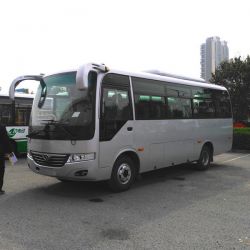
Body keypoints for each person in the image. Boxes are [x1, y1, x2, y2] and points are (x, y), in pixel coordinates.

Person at [0, 124, 12, 195]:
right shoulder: (2, 127)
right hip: (0, 153)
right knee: (1, 171)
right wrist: (12, 159)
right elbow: (6, 141)